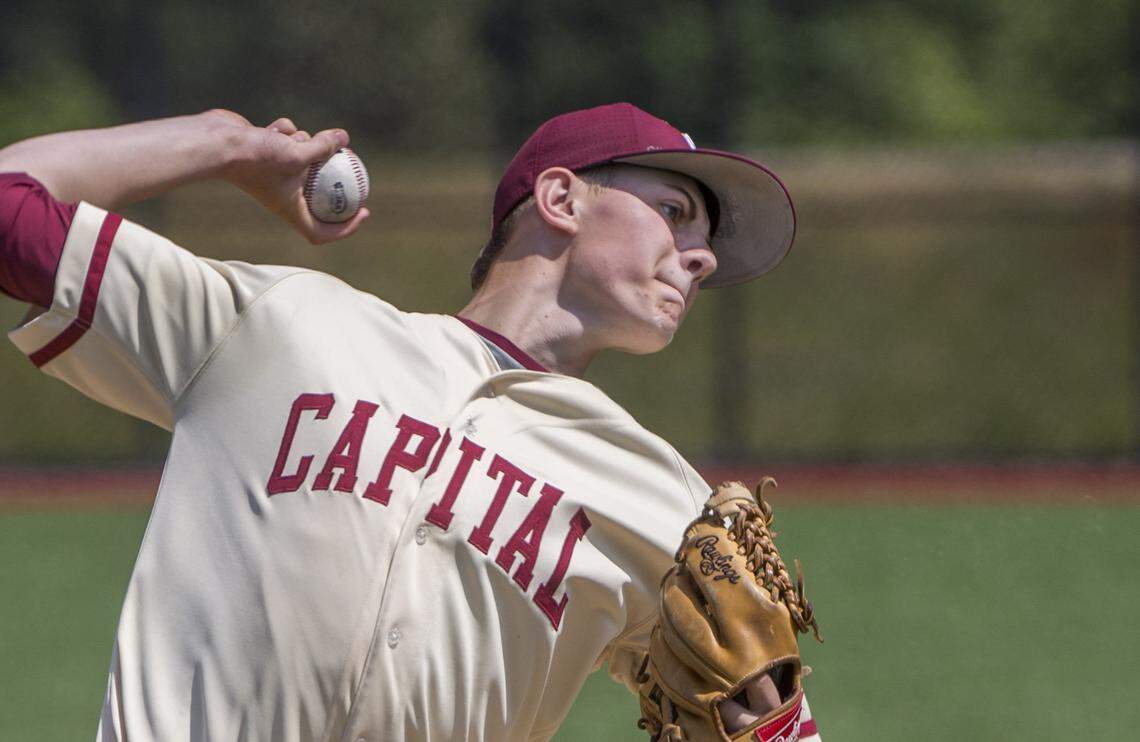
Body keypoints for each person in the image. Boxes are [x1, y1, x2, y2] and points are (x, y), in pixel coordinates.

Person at [0, 102, 818, 741]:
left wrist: (767, 725)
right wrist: (222, 144)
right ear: (561, 197)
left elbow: (776, 731)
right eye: (675, 212)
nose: (700, 256)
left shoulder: (664, 499)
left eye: (704, 243)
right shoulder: (283, 323)